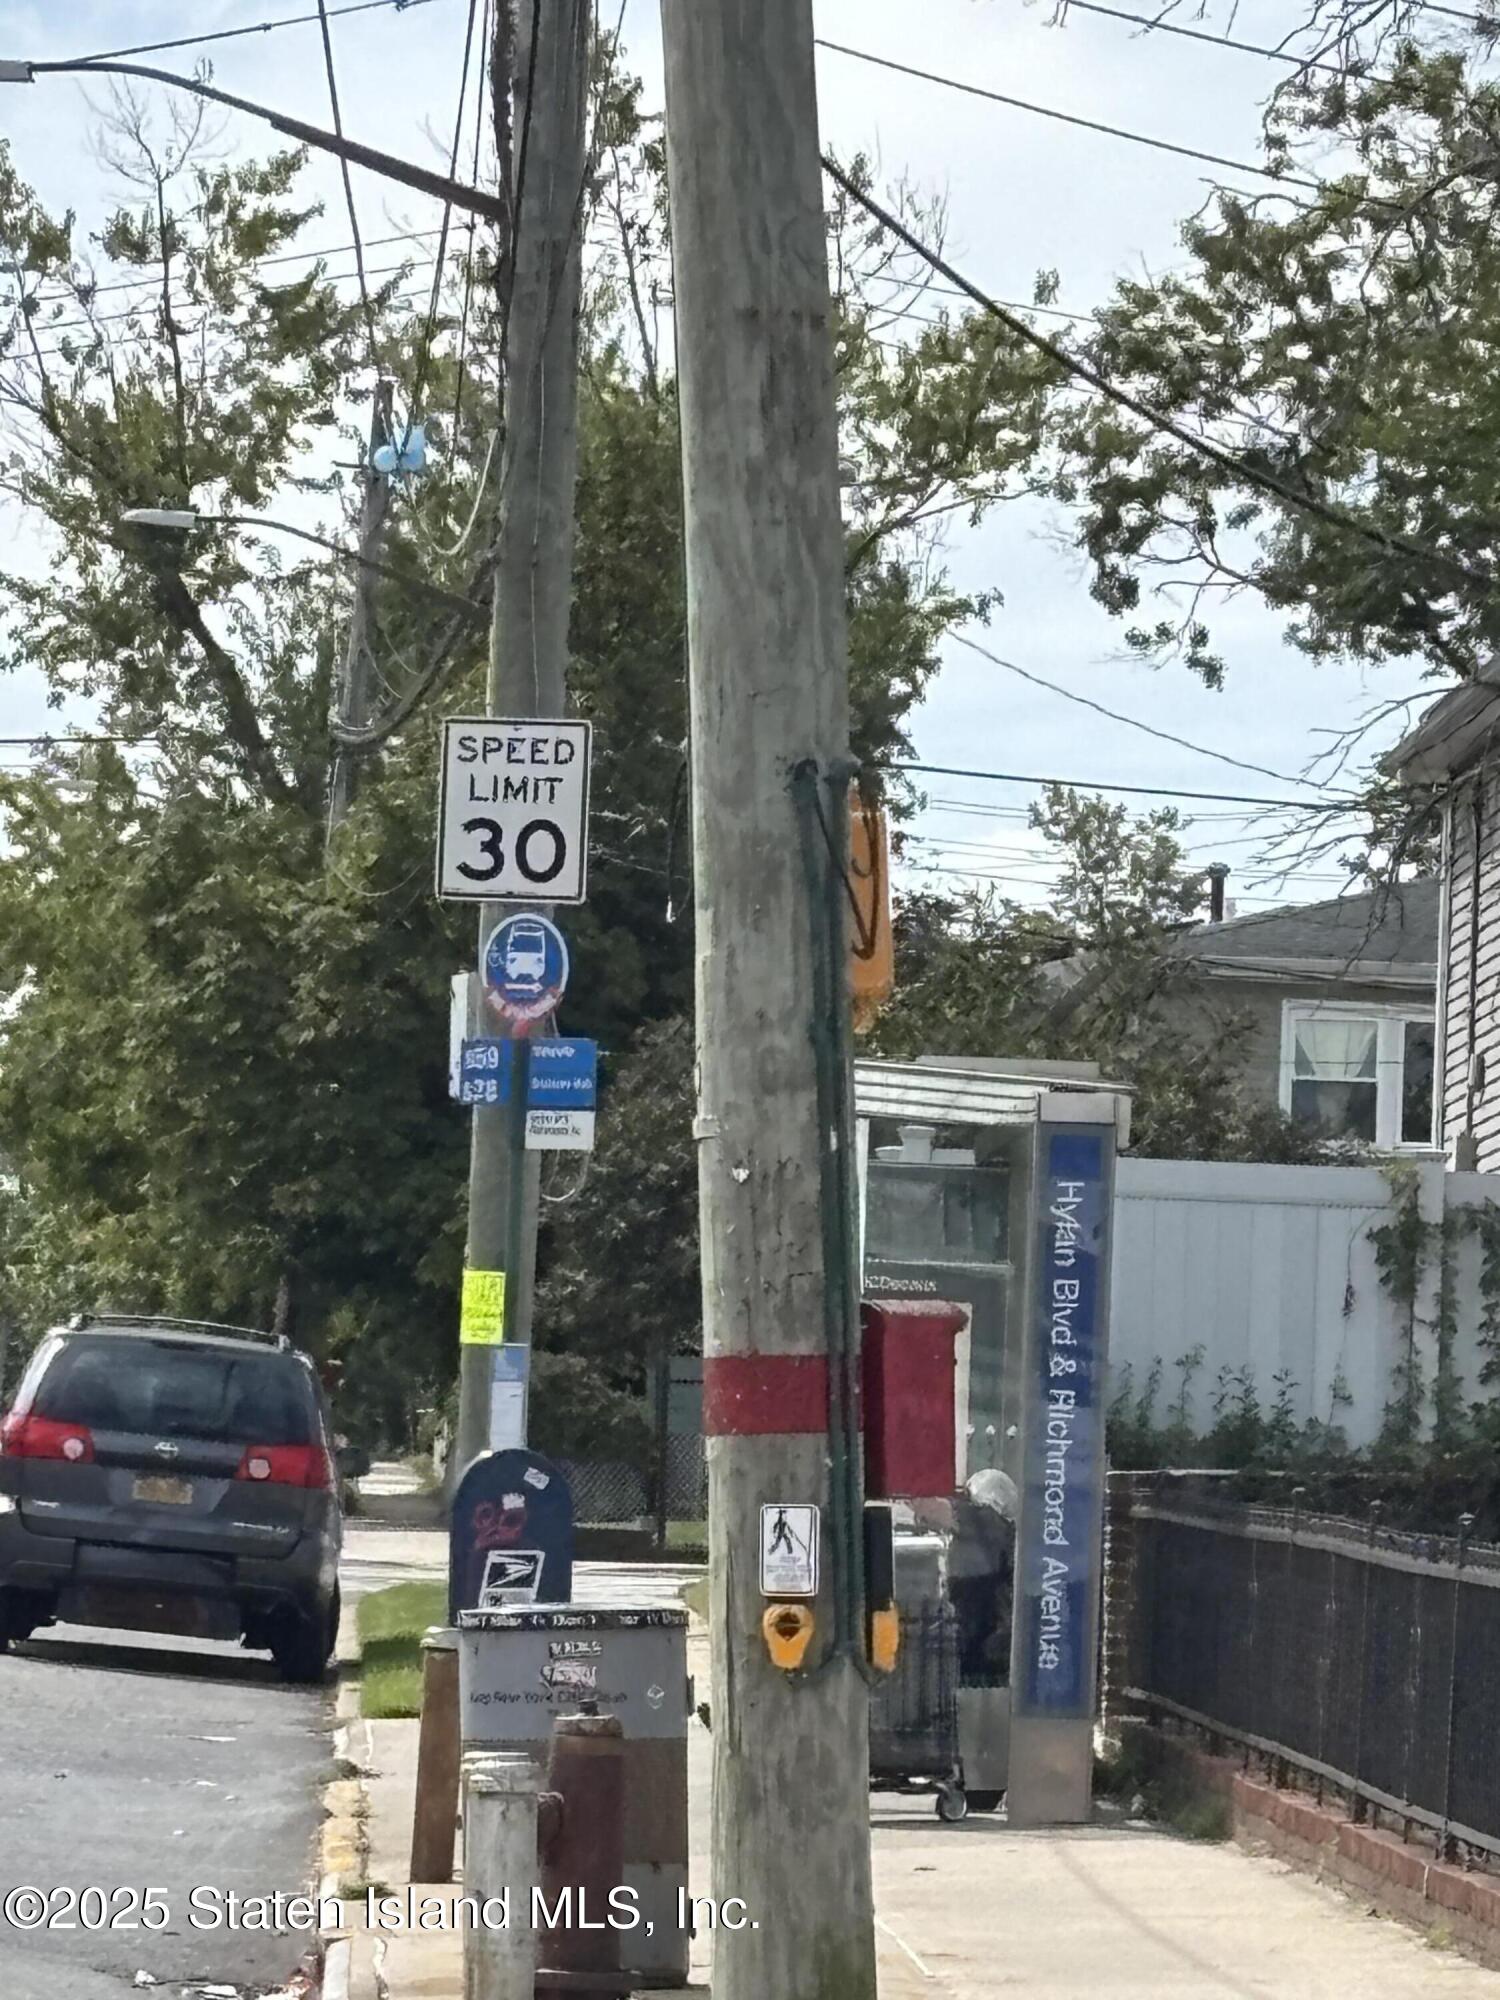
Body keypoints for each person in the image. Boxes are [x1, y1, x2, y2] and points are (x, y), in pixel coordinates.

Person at [946, 1469, 1018, 1683]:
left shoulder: (979, 1520)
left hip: (969, 1626)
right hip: (984, 1637)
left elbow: (936, 1512)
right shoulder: (1009, 1538)